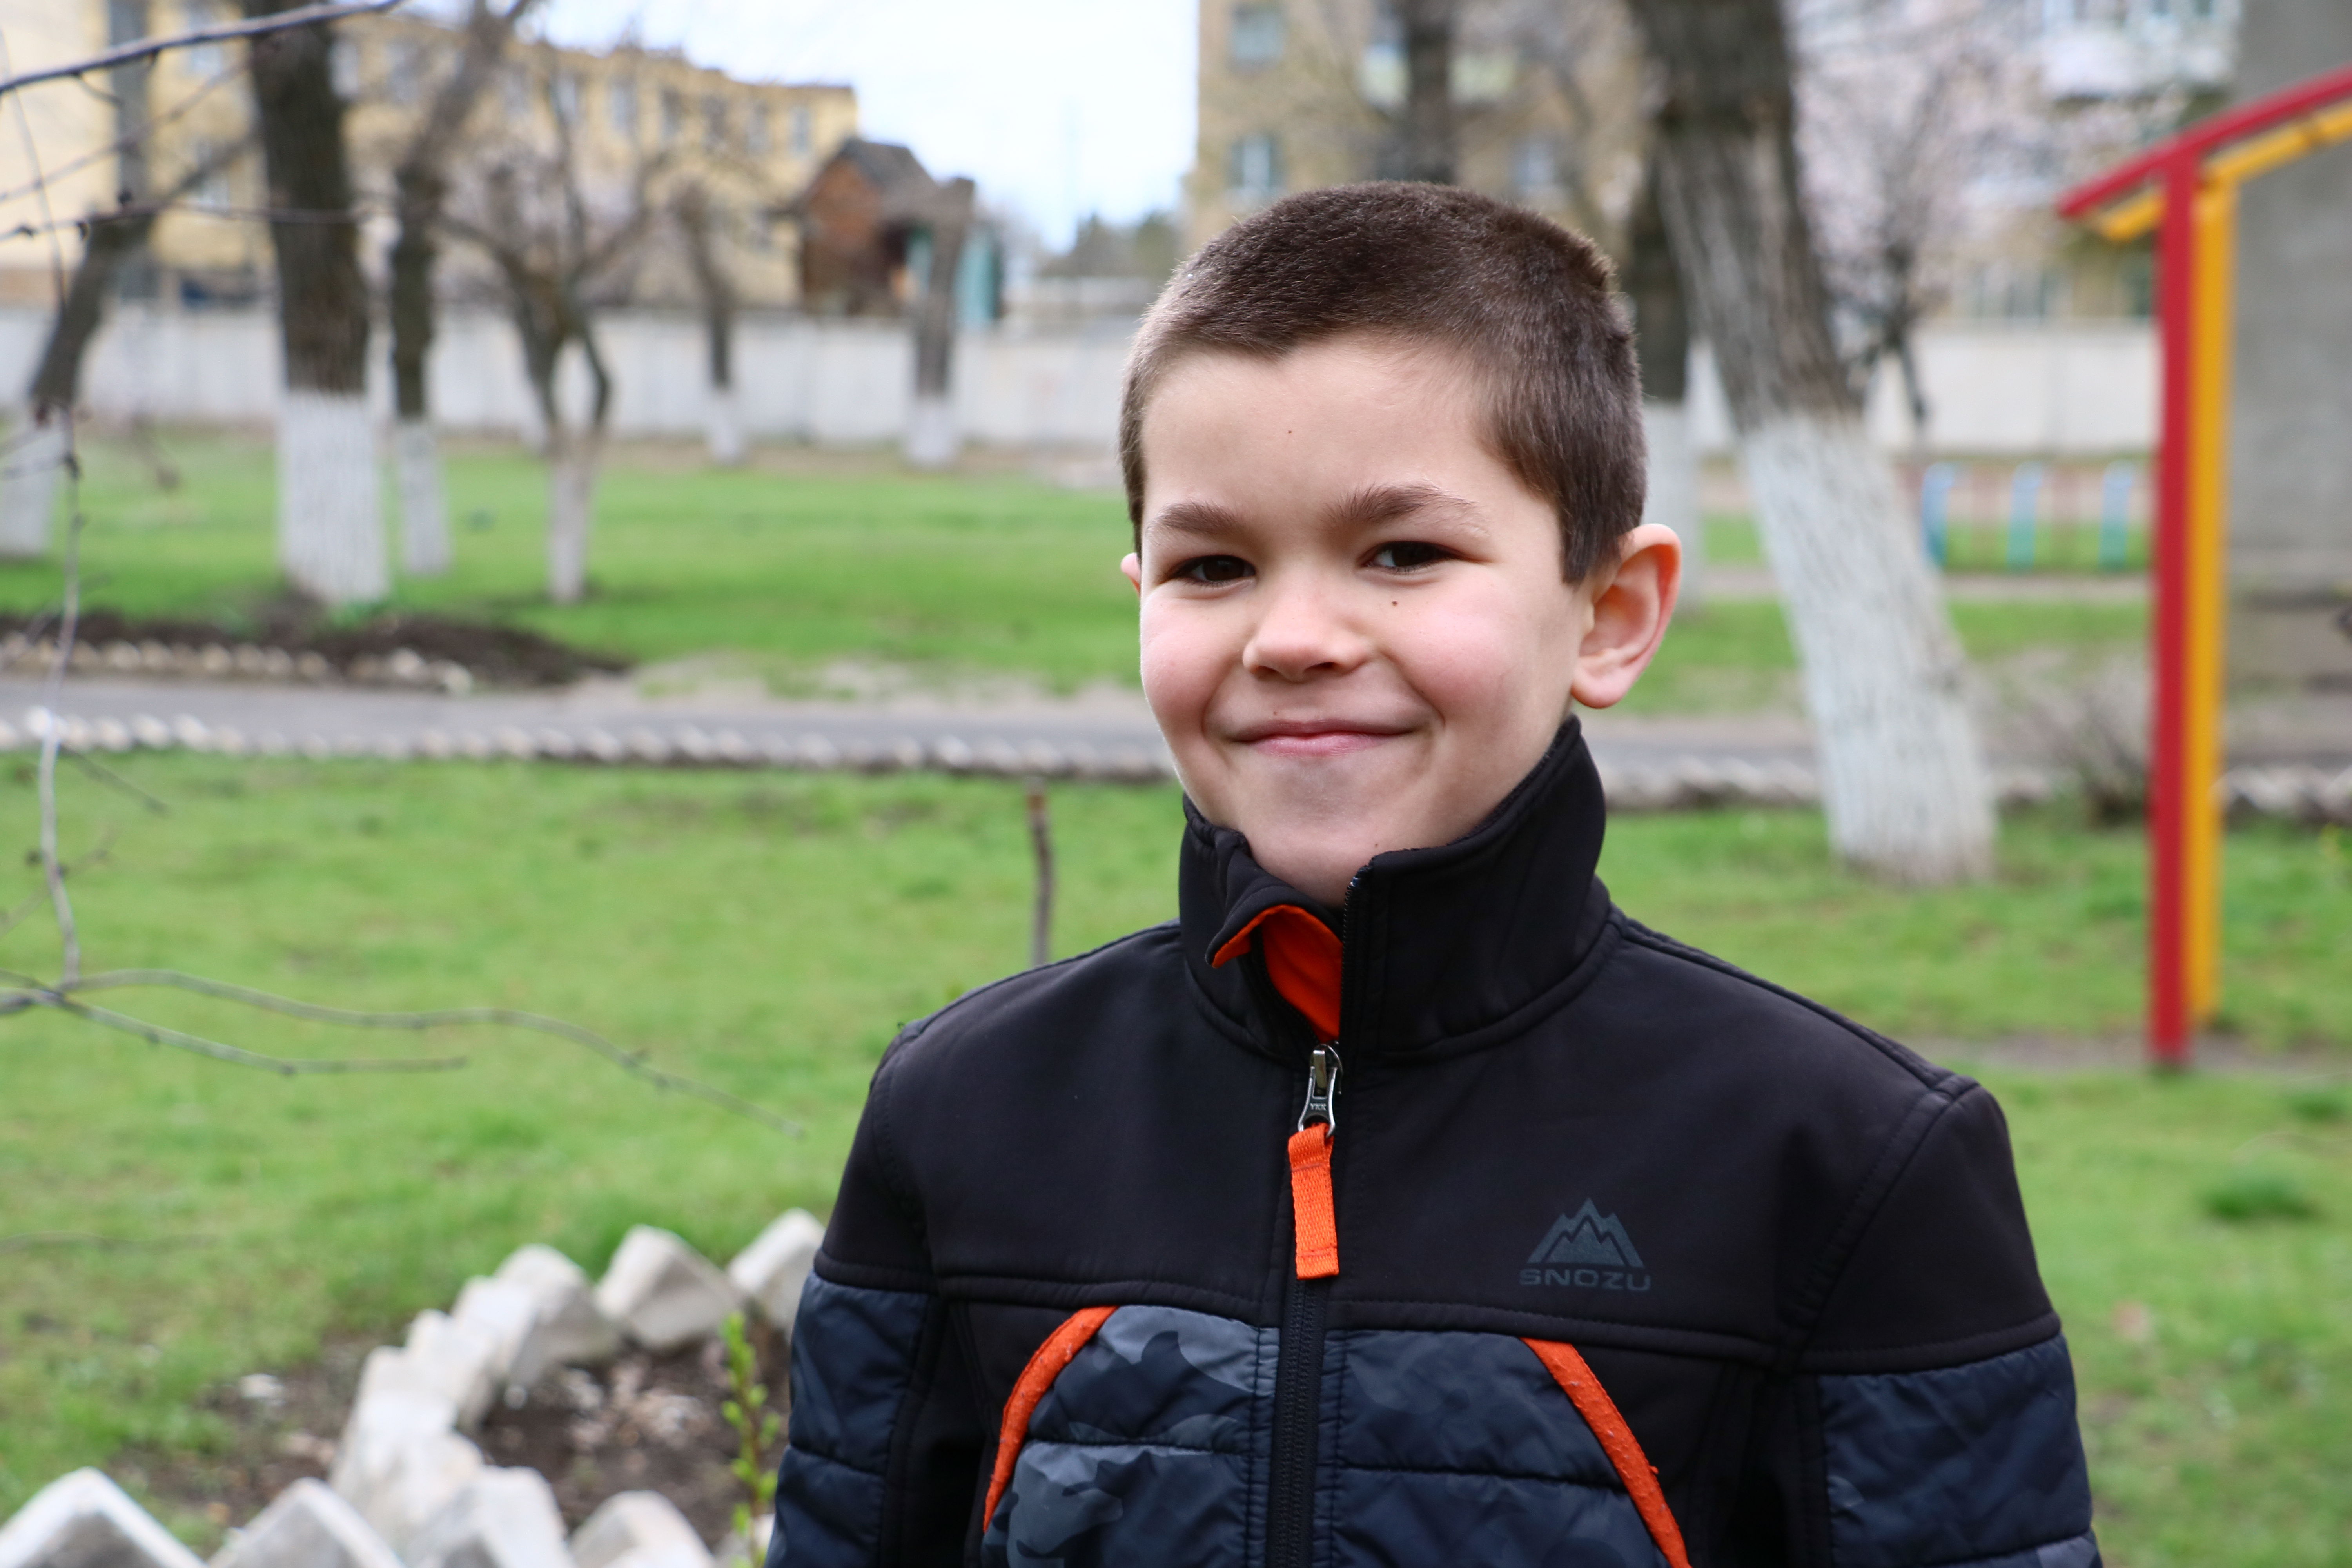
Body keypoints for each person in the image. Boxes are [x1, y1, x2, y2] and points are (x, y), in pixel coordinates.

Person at [769, 184, 2097, 1568]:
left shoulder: (1844, 1165)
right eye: (1213, 566)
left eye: (1403, 553)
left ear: (1611, 614)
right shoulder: (961, 1115)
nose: (1293, 636)